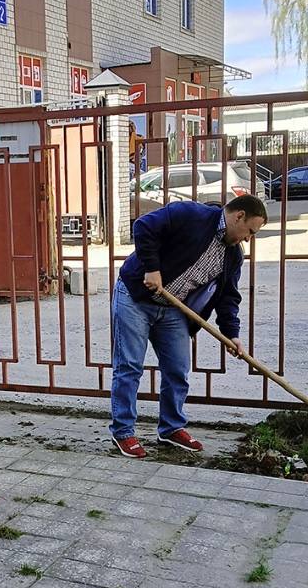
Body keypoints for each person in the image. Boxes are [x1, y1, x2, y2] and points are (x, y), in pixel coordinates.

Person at [110, 194, 267, 458]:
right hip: (135, 297)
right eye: (249, 231)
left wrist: (233, 334)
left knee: (178, 369)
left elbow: (228, 296)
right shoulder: (191, 215)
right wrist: (152, 268)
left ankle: (171, 428)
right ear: (238, 216)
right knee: (129, 366)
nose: (248, 239)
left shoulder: (233, 256)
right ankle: (123, 431)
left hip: (172, 308)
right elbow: (143, 226)